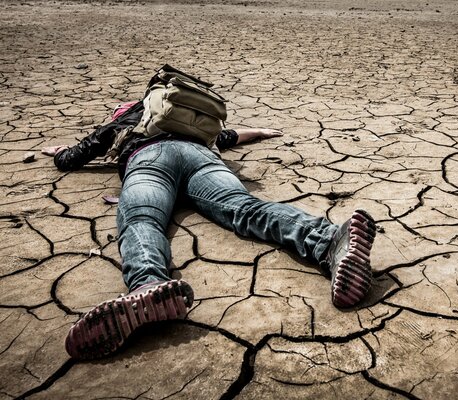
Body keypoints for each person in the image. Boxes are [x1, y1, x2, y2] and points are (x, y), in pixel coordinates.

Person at [44, 96, 376, 360]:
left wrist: (59, 152)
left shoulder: (126, 119)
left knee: (142, 219)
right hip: (202, 156)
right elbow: (231, 136)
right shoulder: (190, 120)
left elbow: (74, 157)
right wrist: (261, 132)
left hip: (149, 159)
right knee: (246, 210)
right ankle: (331, 240)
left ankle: (147, 285)